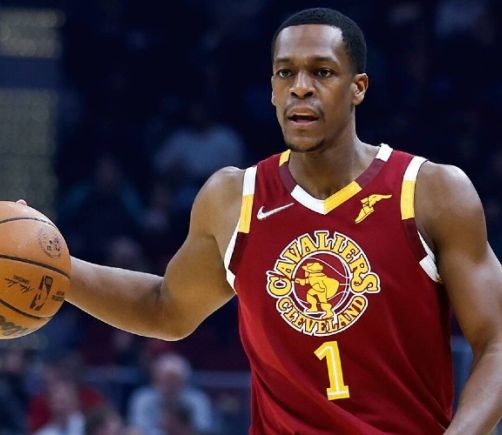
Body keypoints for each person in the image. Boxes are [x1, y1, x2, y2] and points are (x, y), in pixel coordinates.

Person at [30, 7, 502, 434]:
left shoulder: (430, 191)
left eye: (322, 72)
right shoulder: (233, 198)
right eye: (286, 72)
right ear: (273, 89)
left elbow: (497, 342)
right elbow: (164, 308)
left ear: (358, 87)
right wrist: (53, 267)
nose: (301, 86)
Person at [128, 352, 214, 434]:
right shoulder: (143, 398)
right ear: (156, 379)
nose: (170, 385)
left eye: (174, 380)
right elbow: (138, 427)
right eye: (166, 379)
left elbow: (203, 429)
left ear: (184, 381)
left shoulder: (197, 400)